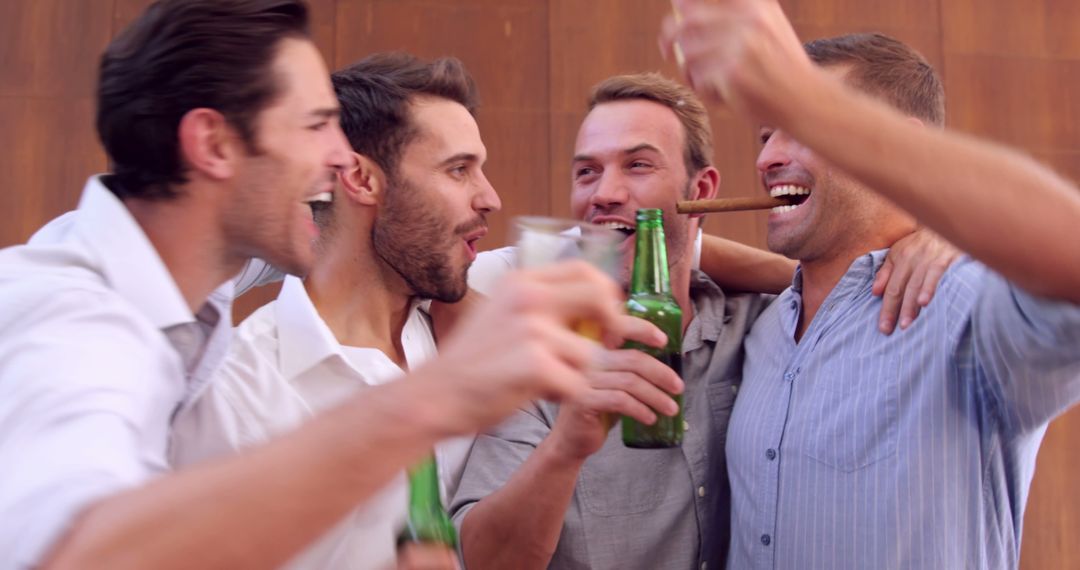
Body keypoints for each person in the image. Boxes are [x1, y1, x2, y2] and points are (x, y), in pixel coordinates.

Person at [0, 2, 636, 568]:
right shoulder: (68, 323)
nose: (339, 158)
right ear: (215, 144)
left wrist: (726, 254)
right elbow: (75, 552)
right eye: (314, 126)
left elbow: (613, 242)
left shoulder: (204, 259)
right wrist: (436, 398)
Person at [448, 72, 955, 569]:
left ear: (704, 189)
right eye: (587, 172)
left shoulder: (769, 330)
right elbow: (485, 561)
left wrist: (928, 237)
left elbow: (842, 277)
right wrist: (566, 444)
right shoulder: (535, 359)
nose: (604, 192)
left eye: (638, 165)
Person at [169, 52, 652, 570]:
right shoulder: (236, 397)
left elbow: (631, 237)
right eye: (459, 169)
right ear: (361, 178)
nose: (490, 197)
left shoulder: (469, 315)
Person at [662, 5, 1080, 568]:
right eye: (765, 134)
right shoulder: (761, 328)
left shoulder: (965, 310)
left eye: (802, 129)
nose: (766, 158)